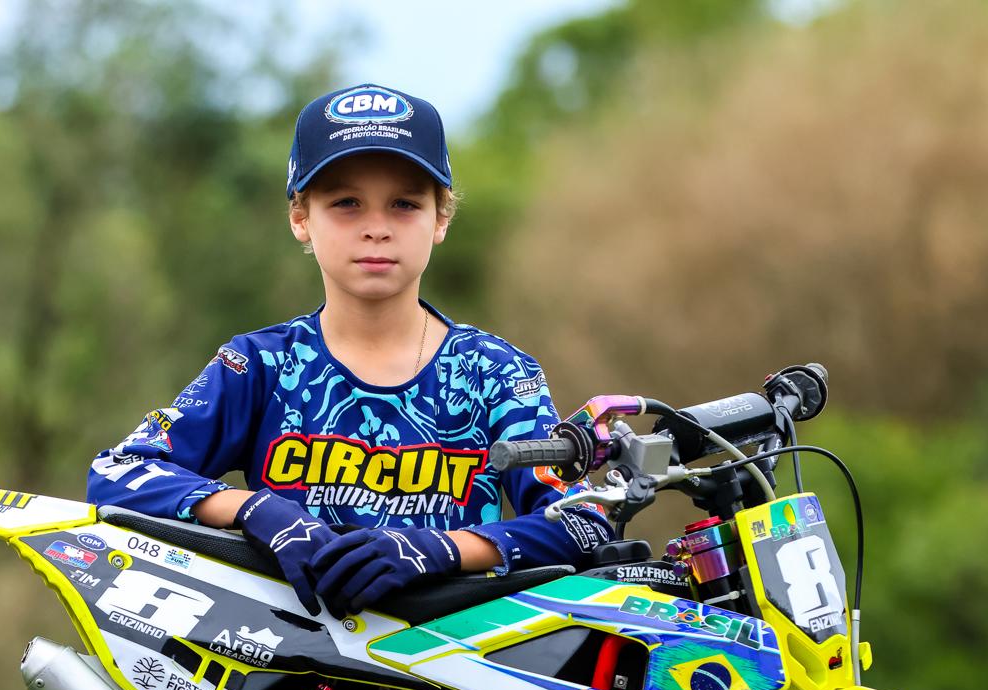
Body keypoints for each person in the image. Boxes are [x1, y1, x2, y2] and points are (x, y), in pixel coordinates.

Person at [87, 83, 612, 619]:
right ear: (301, 218)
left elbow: (583, 521)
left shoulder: (495, 372)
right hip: (291, 655)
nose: (376, 229)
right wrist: (252, 509)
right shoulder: (261, 364)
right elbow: (116, 472)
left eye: (404, 204)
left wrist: (443, 550)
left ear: (440, 219)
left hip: (454, 657)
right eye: (346, 204)